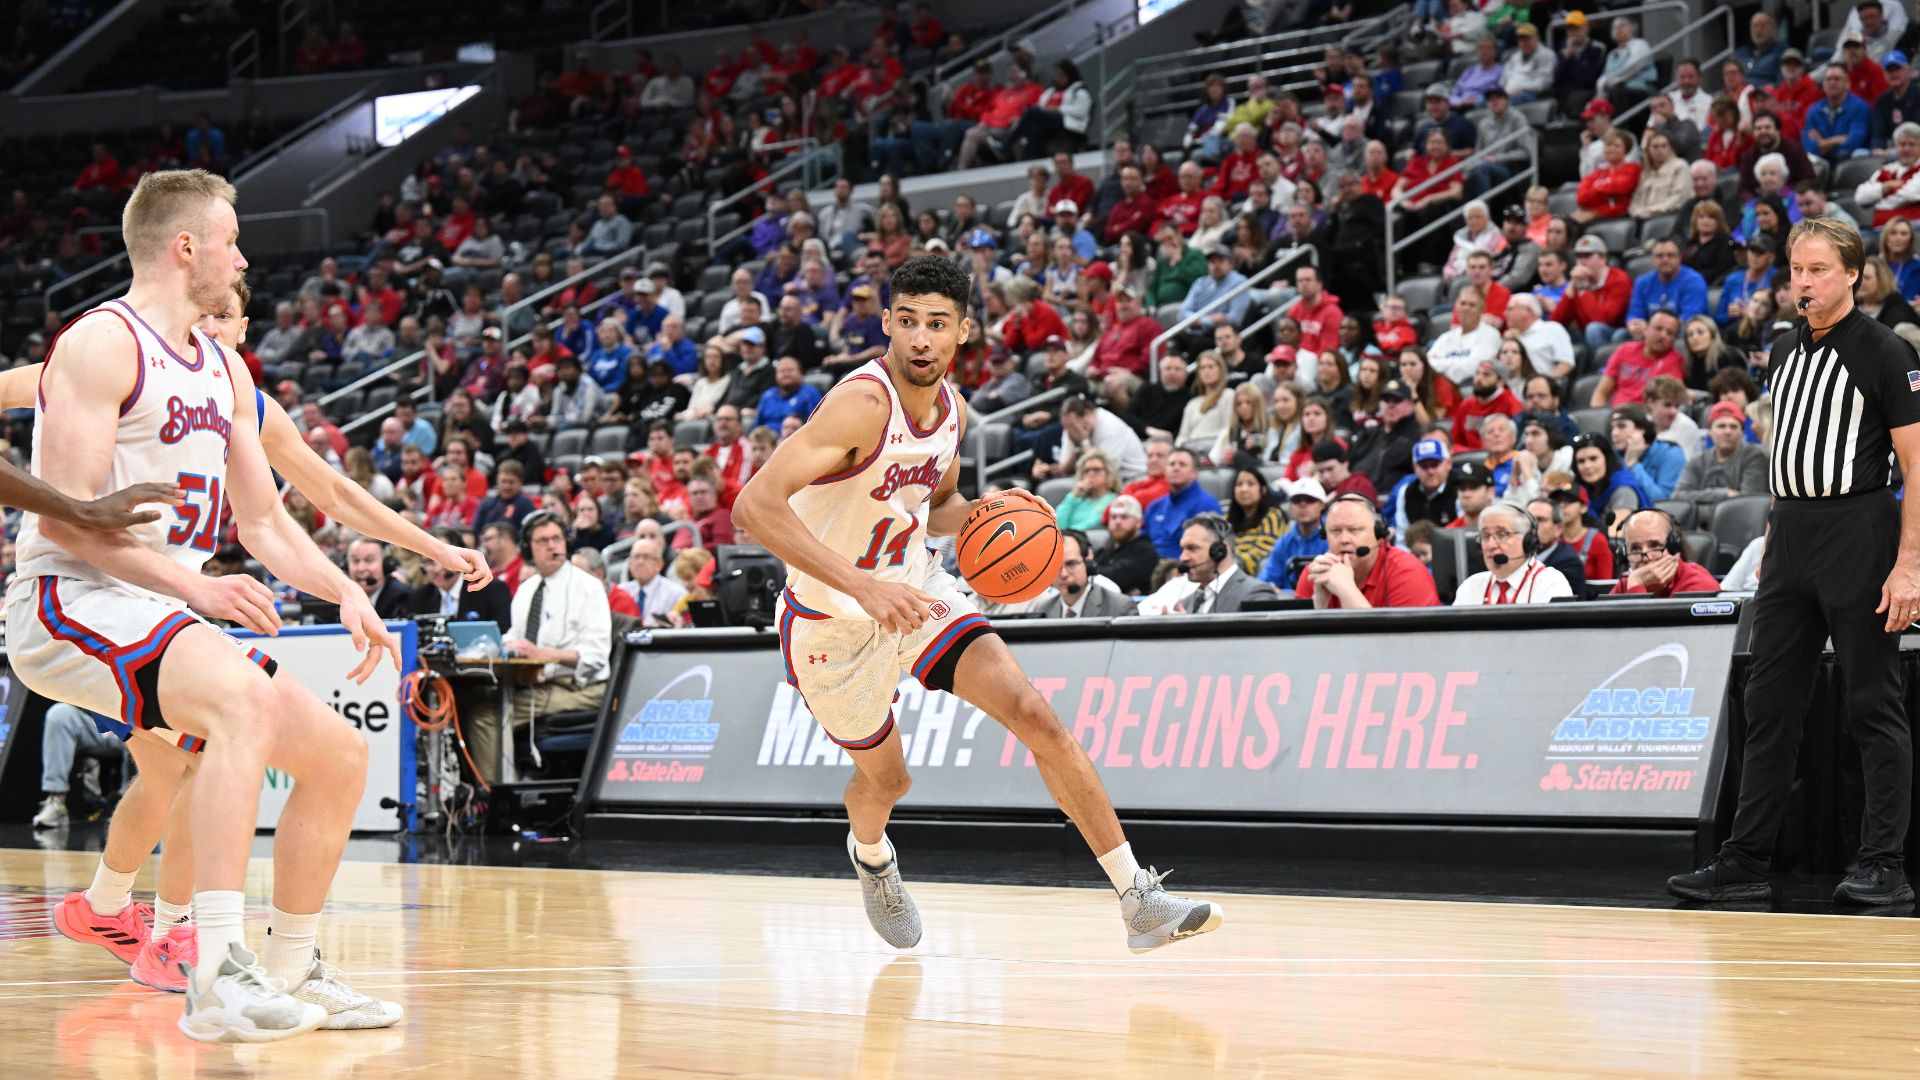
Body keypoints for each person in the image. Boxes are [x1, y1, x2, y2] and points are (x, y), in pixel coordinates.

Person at [5, 170, 404, 1040]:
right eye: (230, 239)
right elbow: (69, 520)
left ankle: (292, 968)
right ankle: (213, 969)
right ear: (186, 248)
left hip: (156, 608)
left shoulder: (223, 365)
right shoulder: (102, 344)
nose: (242, 255)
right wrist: (195, 584)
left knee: (338, 755)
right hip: (65, 598)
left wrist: (344, 591)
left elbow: (262, 518)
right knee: (241, 703)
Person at [731, 256, 1223, 952]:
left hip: (917, 587)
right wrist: (863, 586)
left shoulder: (953, 412)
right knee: (888, 779)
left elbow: (934, 509)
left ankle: (1138, 898)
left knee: (1035, 715)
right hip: (829, 621)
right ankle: (872, 859)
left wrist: (988, 518)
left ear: (963, 330)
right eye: (907, 323)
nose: (921, 340)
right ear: (888, 325)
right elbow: (754, 506)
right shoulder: (861, 406)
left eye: (937, 324)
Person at [1668, 217, 1920, 904]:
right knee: (1769, 701)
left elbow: (1916, 463)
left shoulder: (1884, 352)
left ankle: (1884, 866)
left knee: (1872, 702)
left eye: (1815, 270)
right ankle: (1747, 858)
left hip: (1860, 529)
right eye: (1795, 270)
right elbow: (1791, 454)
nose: (1801, 283)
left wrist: (1909, 564)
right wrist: (1777, 539)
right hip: (1792, 534)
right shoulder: (1783, 350)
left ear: (1853, 275)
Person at [462, 510, 612, 785]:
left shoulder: (589, 588)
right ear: (528, 548)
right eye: (543, 541)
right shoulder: (528, 589)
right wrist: (494, 645)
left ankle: (498, 800)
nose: (552, 546)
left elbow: (596, 657)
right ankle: (493, 788)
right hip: (536, 684)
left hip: (581, 688)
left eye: (556, 539)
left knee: (485, 717)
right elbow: (516, 636)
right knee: (468, 701)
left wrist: (544, 655)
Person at [1298, 494, 1441, 608]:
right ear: (1324, 535)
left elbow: (1403, 644)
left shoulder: (1408, 572)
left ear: (1379, 534)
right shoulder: (1316, 573)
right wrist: (1320, 605)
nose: (1344, 539)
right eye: (1335, 531)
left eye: (1355, 530)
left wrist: (1346, 590)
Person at [1451, 502, 1573, 605]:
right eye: (1486, 536)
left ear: (1528, 541)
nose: (1491, 545)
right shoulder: (1471, 586)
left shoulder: (1549, 582)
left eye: (1502, 534)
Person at [32, 703, 130, 830]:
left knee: (139, 730)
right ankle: (57, 802)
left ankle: (128, 806)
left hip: (132, 721)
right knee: (60, 713)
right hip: (98, 724)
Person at [1163, 513, 1281, 614]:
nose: (1183, 557)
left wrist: (1186, 630)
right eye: (1183, 549)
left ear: (1219, 550)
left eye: (1192, 548)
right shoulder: (1185, 604)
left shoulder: (1256, 594)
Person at [1608, 509, 1720, 597]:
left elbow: (1644, 626)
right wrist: (1636, 583)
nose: (1646, 557)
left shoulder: (1698, 585)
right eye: (1635, 549)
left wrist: (1636, 587)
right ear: (1624, 554)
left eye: (1655, 546)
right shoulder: (1629, 581)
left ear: (1674, 547)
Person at [1591, 309, 1686, 406]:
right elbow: (1601, 392)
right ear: (1646, 329)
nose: (1663, 335)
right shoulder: (1624, 350)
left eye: (1670, 333)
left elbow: (1668, 404)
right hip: (1616, 414)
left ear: (1674, 339)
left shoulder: (1675, 361)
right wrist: (1597, 415)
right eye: (1658, 328)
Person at [1034, 531, 1135, 618]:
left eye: (1071, 564)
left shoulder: (1120, 607)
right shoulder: (1042, 609)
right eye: (1056, 567)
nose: (1064, 574)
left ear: (1088, 563)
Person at [1257, 477, 1329, 592]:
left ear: (1323, 505)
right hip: (1287, 606)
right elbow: (1265, 583)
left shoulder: (1334, 537)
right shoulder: (1283, 543)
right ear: (1290, 506)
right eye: (1296, 500)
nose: (1303, 505)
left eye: (1310, 499)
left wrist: (1284, 592)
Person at [1525, 496, 1589, 598]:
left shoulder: (1568, 563)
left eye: (1540, 520)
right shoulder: (1513, 556)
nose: (1532, 526)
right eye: (1528, 519)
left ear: (1558, 529)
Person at [1092, 494, 1157, 594]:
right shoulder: (1106, 550)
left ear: (1138, 522)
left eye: (1124, 517)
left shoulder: (1145, 552)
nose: (1118, 522)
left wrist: (1091, 571)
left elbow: (1114, 579)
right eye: (1113, 517)